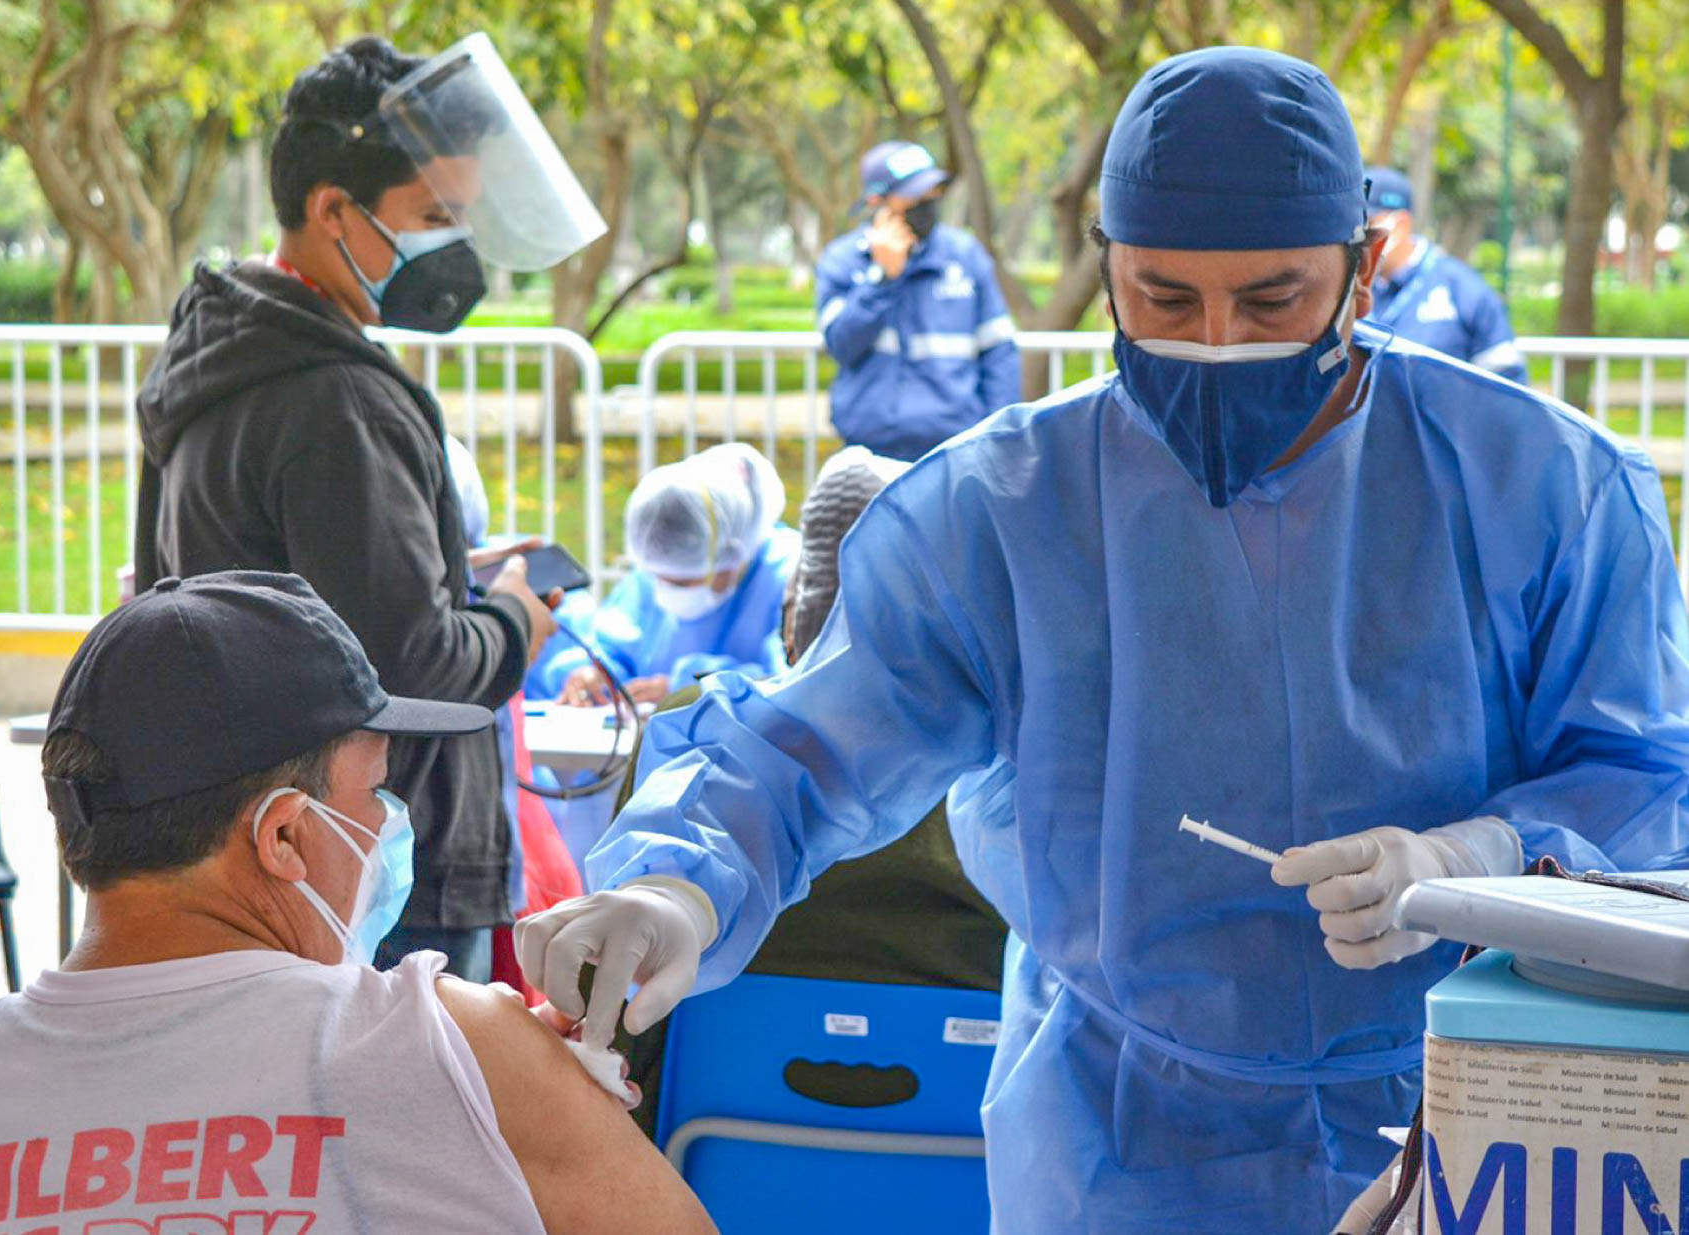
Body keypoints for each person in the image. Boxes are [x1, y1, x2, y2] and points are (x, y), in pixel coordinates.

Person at [515, 47, 1689, 1234]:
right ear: (1106, 269)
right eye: (1163, 299)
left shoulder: (1542, 488)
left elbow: (1648, 775)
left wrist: (1478, 858)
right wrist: (677, 881)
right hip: (1112, 1135)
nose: (1217, 345)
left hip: (1479, 1111)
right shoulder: (1004, 509)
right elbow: (811, 746)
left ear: (1362, 270)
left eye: (1273, 300)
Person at [0, 571, 715, 1234]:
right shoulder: (453, 1046)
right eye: (374, 789)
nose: (387, 823)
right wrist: (501, 1090)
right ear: (285, 837)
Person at [133, 34, 604, 980]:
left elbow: (294, 590)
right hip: (386, 872)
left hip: (264, 855)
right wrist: (513, 615)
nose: (454, 244)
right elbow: (410, 666)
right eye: (433, 215)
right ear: (332, 210)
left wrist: (443, 575)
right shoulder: (336, 398)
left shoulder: (222, 356)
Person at [611, 446, 1008, 1137]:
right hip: (965, 1177)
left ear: (793, 619)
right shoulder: (1005, 779)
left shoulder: (694, 734)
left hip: (702, 1174)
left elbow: (610, 1009)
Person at [532, 444, 800, 707]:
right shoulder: (651, 575)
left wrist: (690, 690)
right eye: (657, 576)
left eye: (683, 582)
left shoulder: (788, 577)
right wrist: (595, 674)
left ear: (733, 554)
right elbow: (613, 645)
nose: (665, 590)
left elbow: (792, 684)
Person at [815, 141, 1020, 462]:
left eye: (933, 192)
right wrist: (882, 278)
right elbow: (841, 344)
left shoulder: (964, 256)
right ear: (876, 202)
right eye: (914, 195)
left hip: (954, 450)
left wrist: (998, 438)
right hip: (869, 451)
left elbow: (999, 354)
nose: (928, 202)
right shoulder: (843, 261)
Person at [1365, 165, 1528, 383]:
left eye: (1367, 224)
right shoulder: (1348, 290)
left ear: (1401, 225)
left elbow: (1509, 389)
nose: (1356, 237)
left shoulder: (1463, 290)